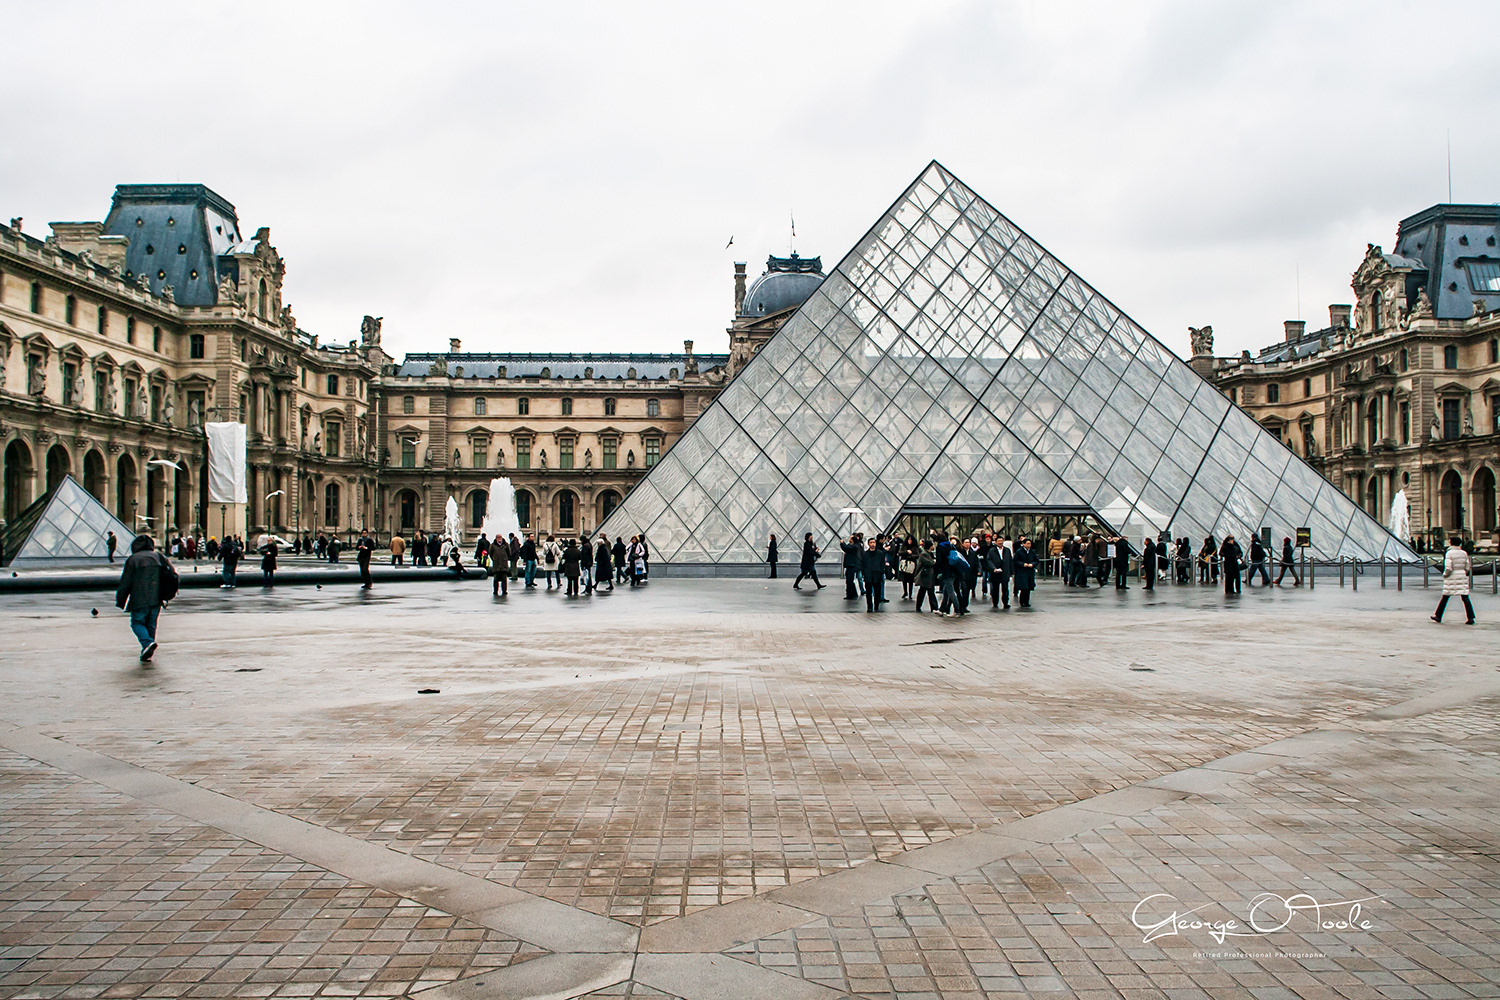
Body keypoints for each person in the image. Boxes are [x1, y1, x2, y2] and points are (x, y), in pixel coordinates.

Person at [115, 534, 179, 662]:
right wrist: (167, 595)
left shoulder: (133, 559)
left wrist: (121, 600)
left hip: (139, 598)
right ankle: (148, 648)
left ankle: (147, 643)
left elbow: (126, 582)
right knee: (151, 624)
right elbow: (172, 576)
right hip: (157, 598)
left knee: (137, 623)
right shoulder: (160, 557)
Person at [1432, 535, 1475, 624]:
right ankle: (1470, 617)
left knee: (1445, 597)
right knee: (1465, 597)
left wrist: (1445, 574)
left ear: (1451, 543)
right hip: (1461, 575)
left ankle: (1438, 616)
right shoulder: (1464, 553)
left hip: (1451, 576)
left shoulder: (1449, 553)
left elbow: (1448, 567)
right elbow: (1467, 566)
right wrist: (1463, 572)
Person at [986, 535, 1012, 608]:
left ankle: (1005, 603)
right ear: (995, 542)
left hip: (1005, 572)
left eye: (1001, 541)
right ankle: (995, 603)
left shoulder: (1007, 550)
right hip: (995, 572)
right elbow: (989, 560)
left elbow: (1010, 561)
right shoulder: (992, 551)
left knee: (1005, 589)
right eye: (999, 541)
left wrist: (1011, 572)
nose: (1000, 542)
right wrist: (993, 568)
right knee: (995, 589)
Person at [914, 540, 938, 613]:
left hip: (928, 576)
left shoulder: (928, 553)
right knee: (926, 591)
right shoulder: (924, 554)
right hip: (925, 576)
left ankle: (933, 607)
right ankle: (933, 607)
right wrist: (934, 562)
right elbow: (929, 563)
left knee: (925, 591)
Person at [861, 538, 885, 612]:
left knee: (877, 592)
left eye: (873, 542)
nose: (872, 544)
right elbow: (862, 564)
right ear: (868, 544)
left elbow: (882, 564)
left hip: (877, 575)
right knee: (868, 592)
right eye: (871, 542)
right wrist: (864, 573)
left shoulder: (880, 553)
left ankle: (876, 605)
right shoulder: (865, 554)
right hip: (868, 575)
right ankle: (869, 606)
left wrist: (881, 572)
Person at [1013, 536, 1037, 608]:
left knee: (1029, 587)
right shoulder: (1019, 552)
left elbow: (1036, 560)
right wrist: (1023, 564)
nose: (1029, 545)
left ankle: (1027, 601)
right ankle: (1022, 601)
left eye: (1030, 544)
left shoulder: (1032, 552)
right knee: (1024, 587)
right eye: (1027, 544)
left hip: (1030, 571)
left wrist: (1032, 564)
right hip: (1022, 571)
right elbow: (1015, 561)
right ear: (1023, 544)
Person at [840, 533, 863, 600]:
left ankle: (850, 594)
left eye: (850, 538)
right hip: (851, 565)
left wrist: (842, 543)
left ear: (852, 540)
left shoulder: (854, 546)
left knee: (849, 580)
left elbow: (846, 548)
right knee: (850, 580)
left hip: (851, 565)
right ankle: (853, 593)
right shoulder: (855, 546)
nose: (849, 539)